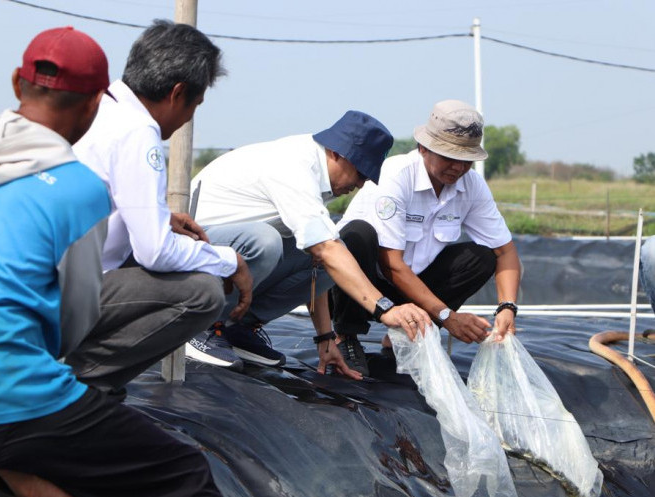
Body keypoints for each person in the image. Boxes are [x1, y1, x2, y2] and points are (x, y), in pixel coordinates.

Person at [0, 27, 221, 497]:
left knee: (26, 469)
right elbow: (73, 324)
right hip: (0, 393)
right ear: (98, 102)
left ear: (18, 83)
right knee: (185, 473)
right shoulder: (78, 189)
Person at [68, 19, 253, 381]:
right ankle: (84, 386)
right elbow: (155, 251)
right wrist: (229, 261)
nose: (188, 119)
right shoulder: (137, 132)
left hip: (39, 280)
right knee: (203, 292)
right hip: (69, 288)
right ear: (177, 93)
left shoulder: (101, 107)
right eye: (194, 105)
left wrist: (161, 215)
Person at [187, 110, 431, 378]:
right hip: (191, 249)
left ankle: (237, 326)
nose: (360, 184)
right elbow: (326, 249)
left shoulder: (318, 174)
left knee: (327, 260)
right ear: (337, 153)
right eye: (360, 173)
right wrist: (384, 308)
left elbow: (321, 258)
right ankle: (199, 324)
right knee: (266, 242)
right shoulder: (293, 165)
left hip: (220, 251)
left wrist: (325, 338)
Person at [331, 99, 522, 375]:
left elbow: (505, 251)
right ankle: (346, 336)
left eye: (466, 160)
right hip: (360, 285)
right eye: (449, 157)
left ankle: (408, 334)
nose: (458, 168)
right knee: (357, 236)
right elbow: (390, 264)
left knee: (480, 257)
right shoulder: (396, 176)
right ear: (423, 148)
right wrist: (447, 317)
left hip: (412, 283)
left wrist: (507, 307)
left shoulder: (472, 185)